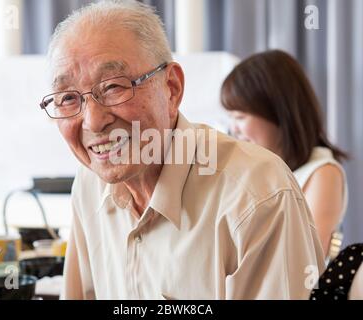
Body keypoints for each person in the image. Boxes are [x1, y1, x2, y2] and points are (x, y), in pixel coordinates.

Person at [40, 0, 324, 299]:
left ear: (171, 88)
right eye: (68, 98)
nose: (93, 122)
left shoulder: (257, 193)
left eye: (113, 86)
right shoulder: (89, 186)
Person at [221, 50, 348, 258]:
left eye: (240, 117)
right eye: (231, 118)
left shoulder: (322, 172)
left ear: (277, 113)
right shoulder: (259, 168)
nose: (233, 129)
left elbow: (305, 257)